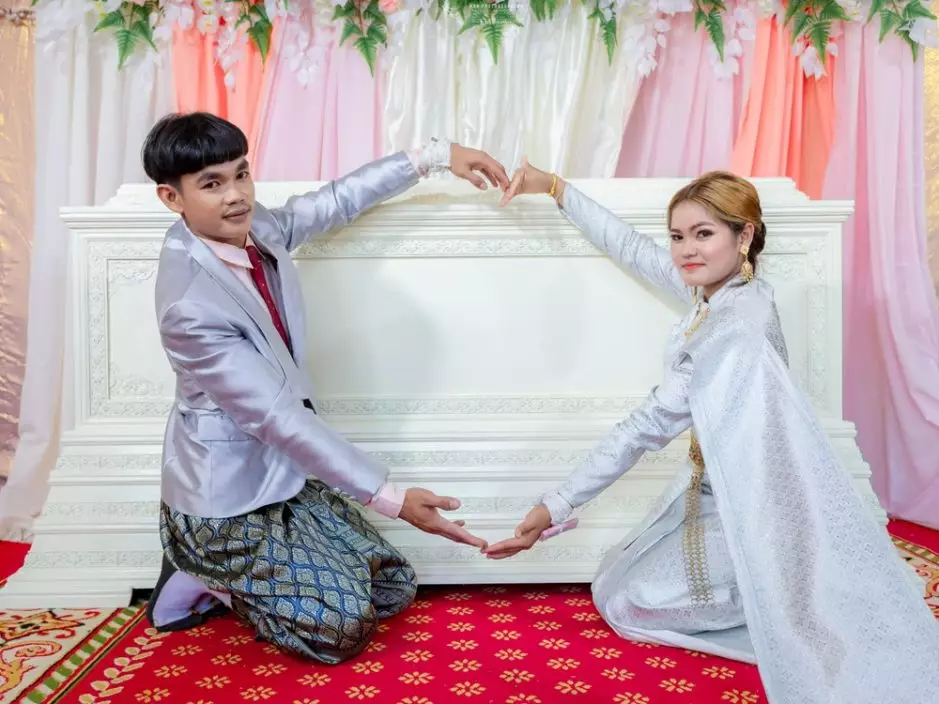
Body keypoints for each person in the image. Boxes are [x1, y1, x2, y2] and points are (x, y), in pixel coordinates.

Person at [487, 160, 939, 702]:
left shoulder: (732, 327)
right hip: (716, 491)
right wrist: (557, 188)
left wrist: (553, 504)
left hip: (758, 509)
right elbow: (632, 248)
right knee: (615, 579)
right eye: (677, 236)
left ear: (743, 235)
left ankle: (781, 601)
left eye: (703, 234)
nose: (685, 250)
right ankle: (779, 593)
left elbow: (644, 428)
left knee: (630, 601)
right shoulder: (721, 293)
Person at [142, 112, 508, 664]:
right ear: (172, 198)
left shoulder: (253, 226)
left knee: (393, 585)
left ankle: (244, 572)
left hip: (282, 477)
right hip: (224, 504)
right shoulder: (189, 308)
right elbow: (277, 417)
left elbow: (334, 202)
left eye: (242, 174)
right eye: (212, 184)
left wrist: (434, 157)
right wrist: (393, 499)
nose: (237, 195)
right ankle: (200, 571)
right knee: (339, 629)